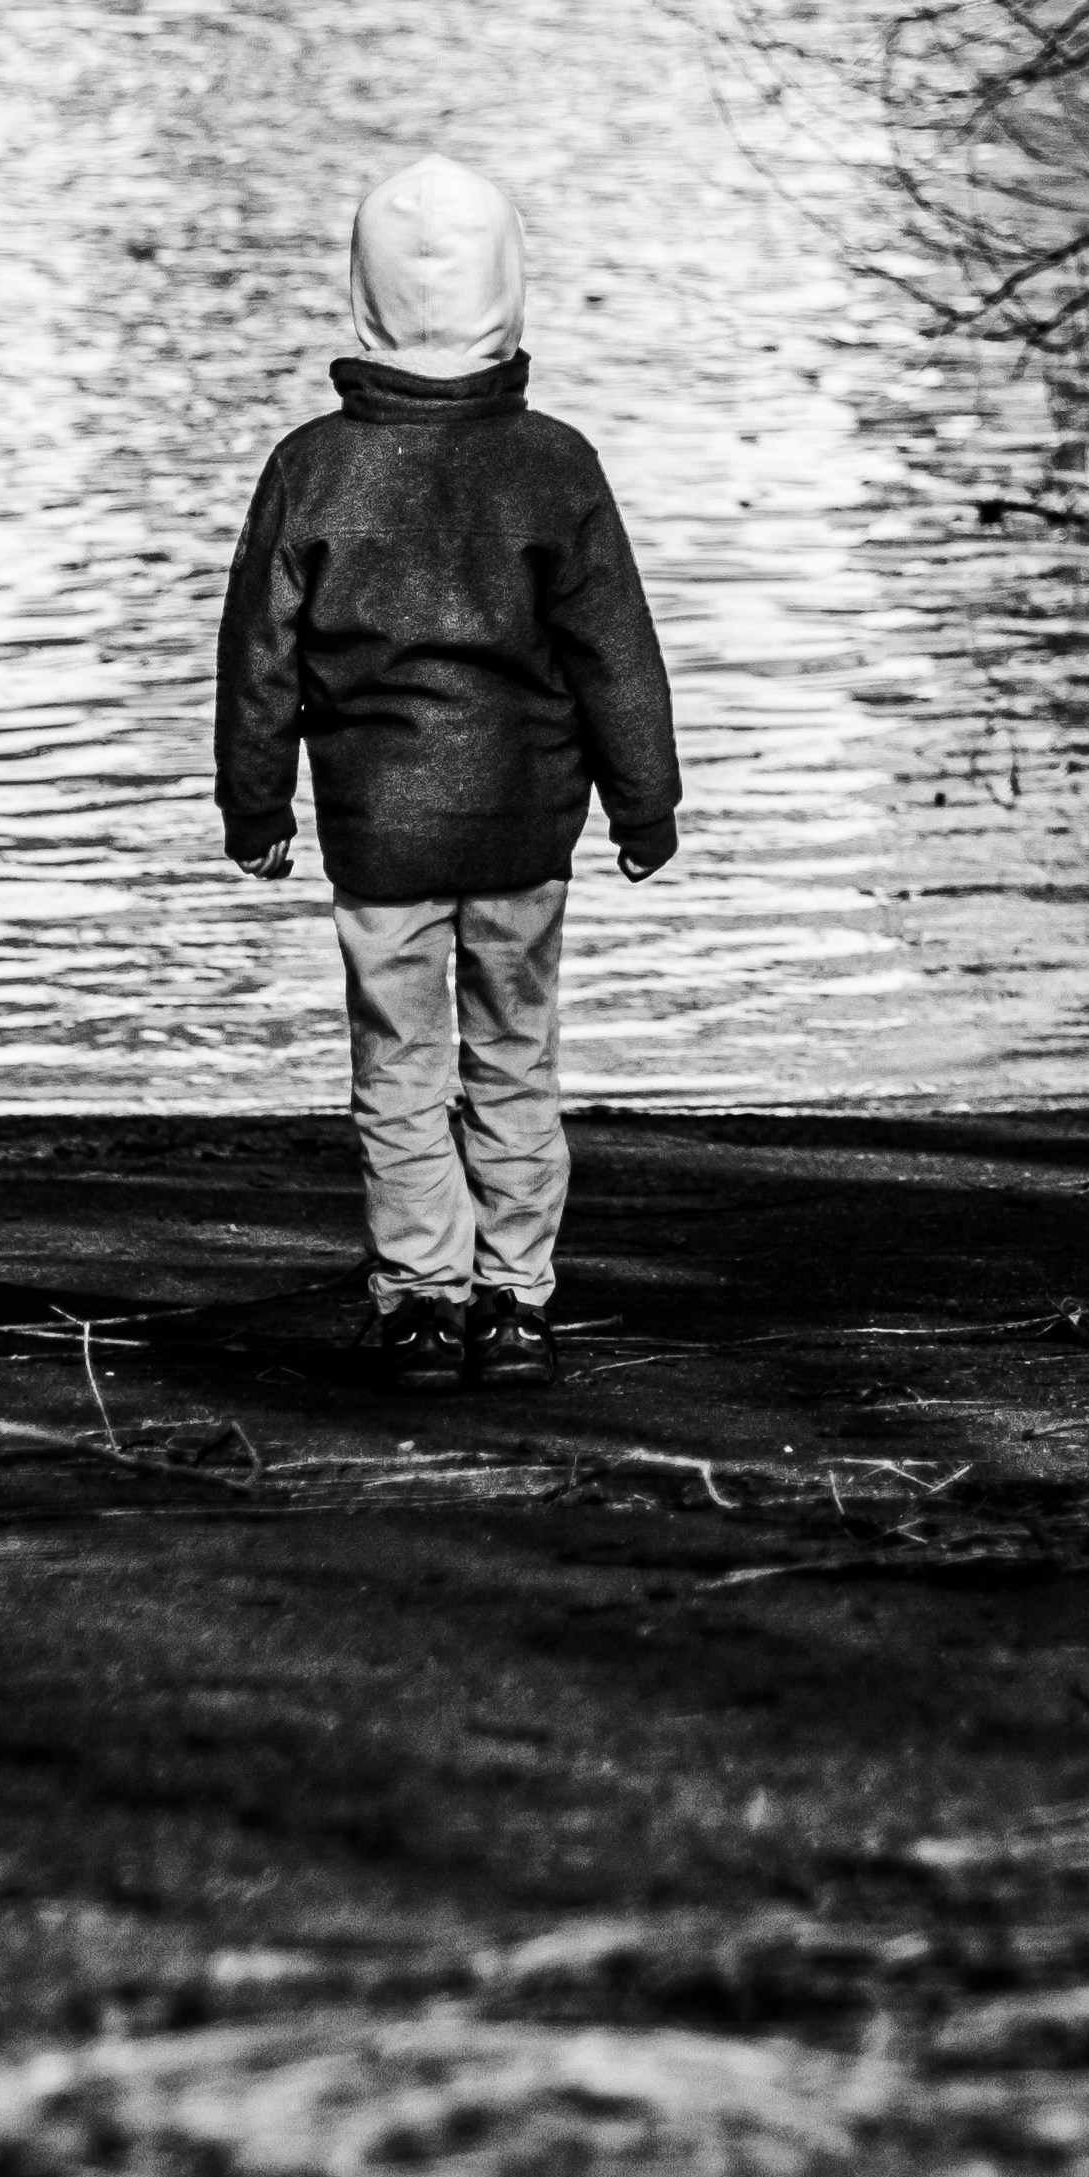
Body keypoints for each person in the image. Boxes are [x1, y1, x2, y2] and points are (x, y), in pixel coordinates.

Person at [214, 156, 683, 1391]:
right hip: (526, 820)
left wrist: (255, 807)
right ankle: (516, 1301)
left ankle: (422, 1298)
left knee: (399, 1064)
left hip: (378, 828)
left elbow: (257, 657)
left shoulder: (310, 467)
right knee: (515, 1056)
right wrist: (646, 805)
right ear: (510, 293)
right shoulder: (553, 462)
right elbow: (614, 654)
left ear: (360, 296)